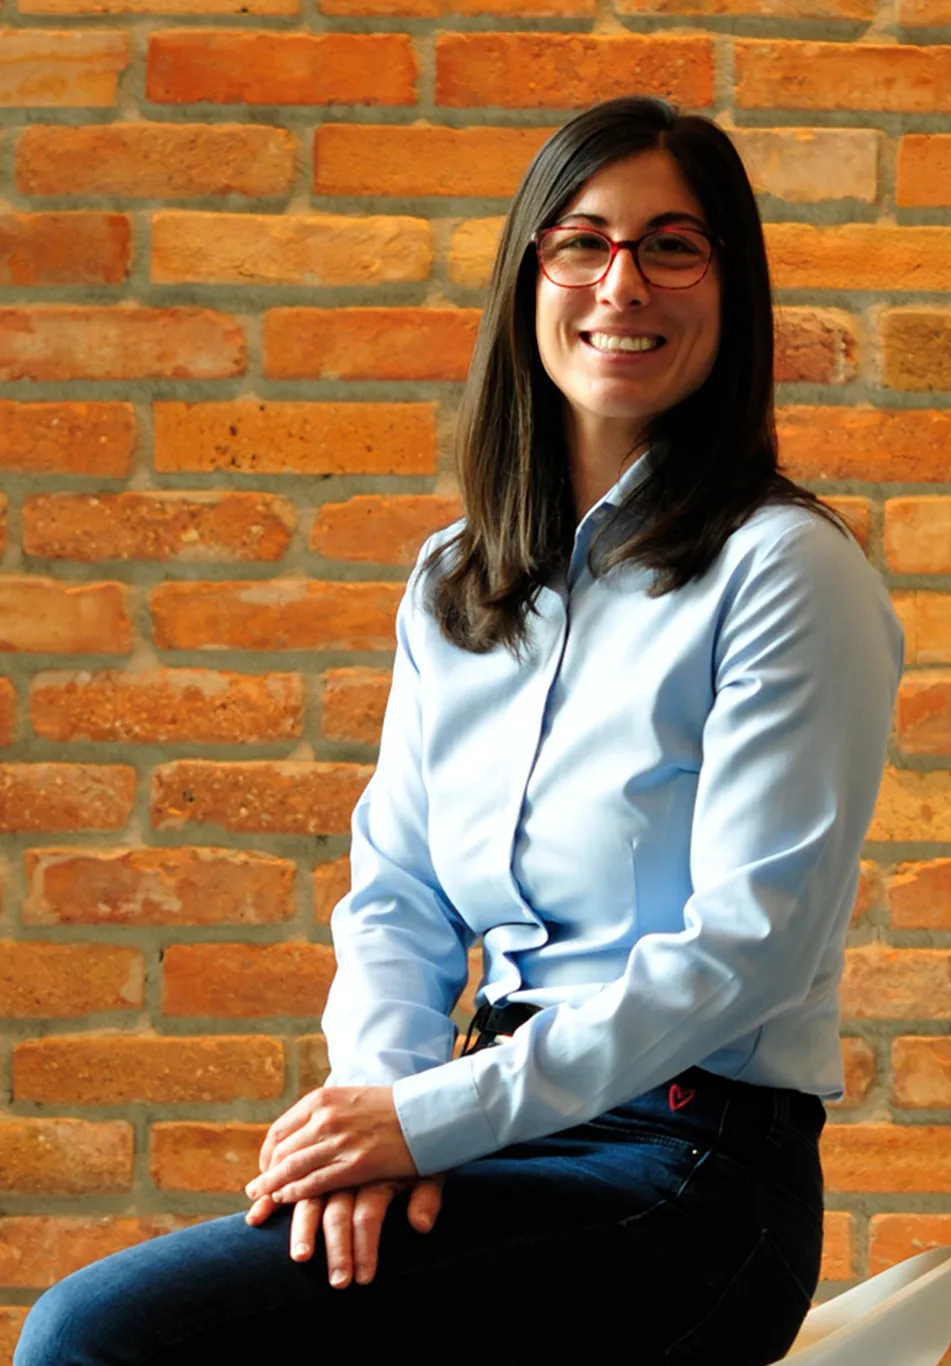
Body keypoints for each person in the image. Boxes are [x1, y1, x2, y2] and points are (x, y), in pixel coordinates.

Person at [15, 95, 903, 1366]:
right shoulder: (456, 577)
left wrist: (429, 1122)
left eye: (671, 244)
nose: (621, 282)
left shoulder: (784, 570)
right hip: (492, 1137)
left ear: (728, 286)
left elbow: (745, 952)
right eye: (581, 241)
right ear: (527, 274)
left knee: (97, 1334)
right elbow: (398, 897)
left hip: (689, 1171)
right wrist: (373, 1121)